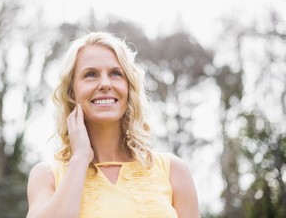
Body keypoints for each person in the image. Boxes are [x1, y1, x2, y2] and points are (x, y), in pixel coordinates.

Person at [26, 31, 200, 218]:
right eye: (91, 74)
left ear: (129, 87)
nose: (105, 84)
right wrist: (80, 158)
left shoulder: (173, 171)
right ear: (71, 92)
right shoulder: (46, 176)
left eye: (116, 73)